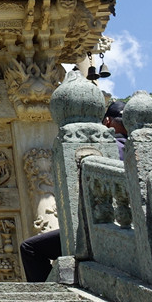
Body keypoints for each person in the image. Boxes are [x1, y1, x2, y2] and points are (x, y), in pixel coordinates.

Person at [19, 97, 128, 282]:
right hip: (128, 224)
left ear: (107, 122)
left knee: (30, 249)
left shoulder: (100, 149)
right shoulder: (136, 147)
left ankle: (49, 299)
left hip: (99, 227)